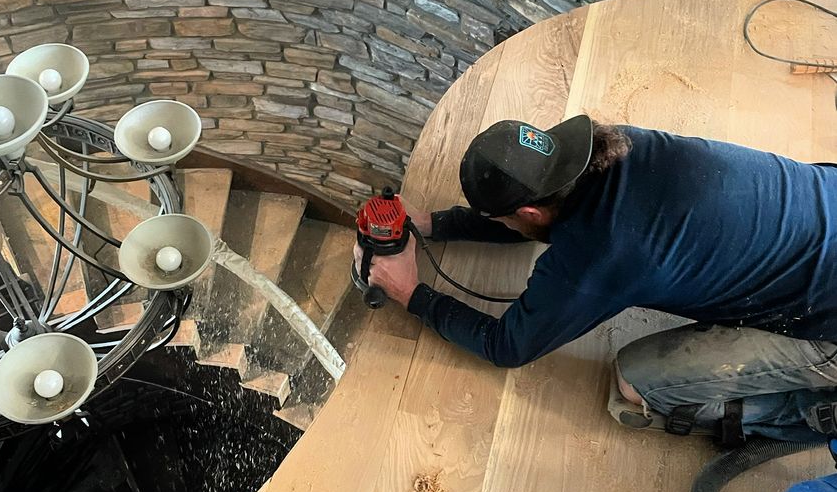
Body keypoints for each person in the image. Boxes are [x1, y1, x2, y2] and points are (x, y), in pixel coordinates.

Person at [355, 114, 837, 446]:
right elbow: (539, 221)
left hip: (826, 326)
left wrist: (411, 293)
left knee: (635, 383)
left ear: (528, 210)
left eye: (506, 219)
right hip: (824, 204)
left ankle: (809, 414)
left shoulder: (603, 251)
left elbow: (507, 346)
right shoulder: (615, 146)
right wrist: (437, 223)